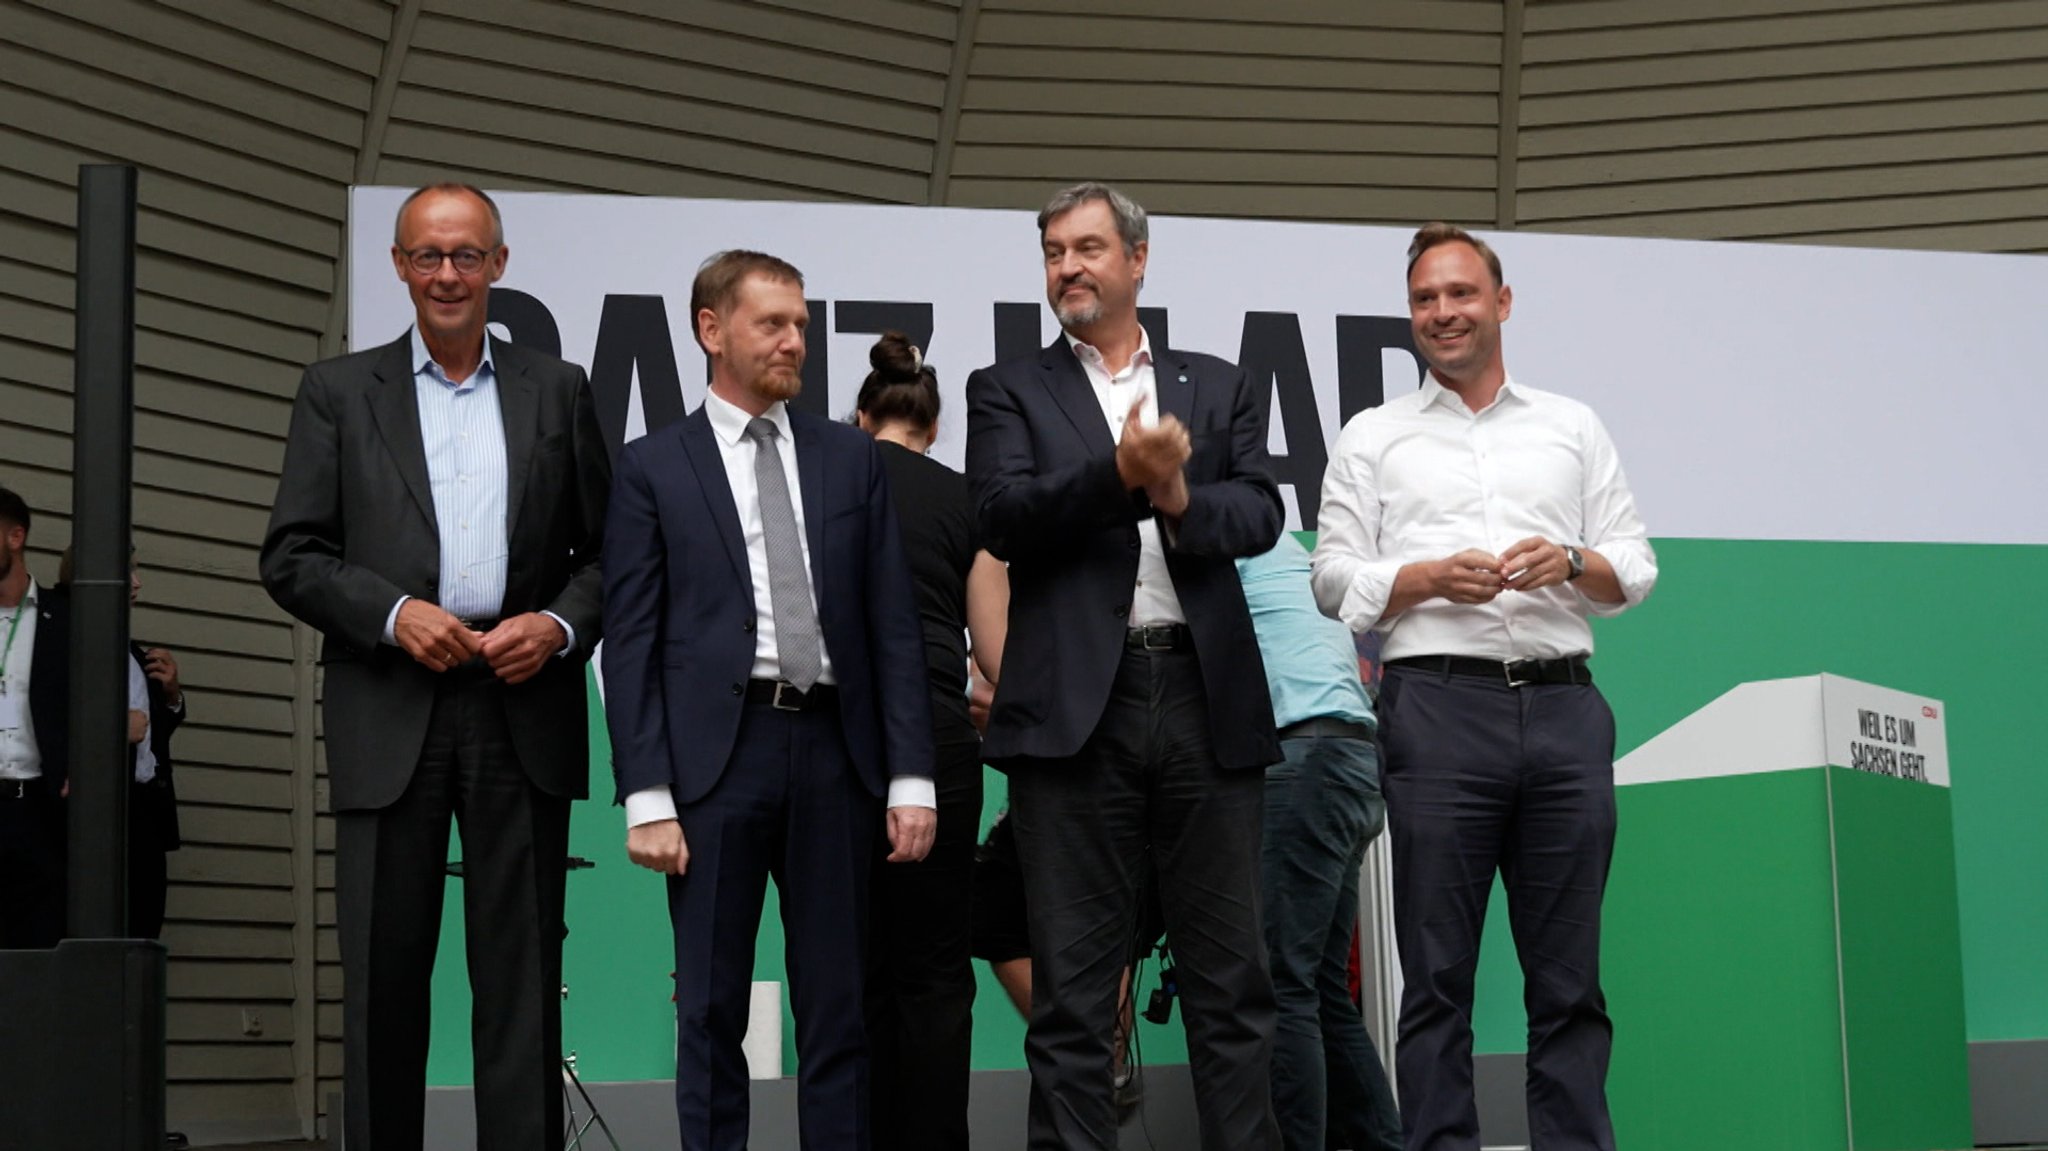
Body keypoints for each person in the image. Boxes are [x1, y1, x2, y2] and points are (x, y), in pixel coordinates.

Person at [259, 183, 611, 1150]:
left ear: (498, 264)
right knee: (382, 982)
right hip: (388, 707)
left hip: (521, 705)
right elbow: (290, 555)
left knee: (521, 983)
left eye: (465, 255)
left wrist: (556, 624)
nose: (447, 274)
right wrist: (392, 612)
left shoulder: (560, 388)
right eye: (427, 256)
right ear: (398, 267)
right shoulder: (337, 391)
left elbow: (612, 556)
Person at [1311, 222, 1658, 1151]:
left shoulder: (1571, 424)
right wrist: (1424, 579)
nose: (1442, 313)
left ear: (1501, 303)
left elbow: (1634, 566)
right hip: (1435, 713)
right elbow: (1333, 579)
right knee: (1434, 984)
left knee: (1569, 985)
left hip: (1564, 708)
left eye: (1460, 294)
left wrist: (1572, 559)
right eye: (1425, 299)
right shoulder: (1373, 435)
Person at [965, 181, 1286, 1150]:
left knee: (1231, 988)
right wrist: (1119, 474)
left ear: (1136, 260)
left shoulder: (1217, 382)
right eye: (1054, 250)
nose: (1068, 266)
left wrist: (1179, 491)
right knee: (1069, 996)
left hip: (1202, 698)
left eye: (1087, 247)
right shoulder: (1007, 387)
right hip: (1072, 714)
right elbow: (998, 515)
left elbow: (1260, 515)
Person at [602, 250, 936, 1151]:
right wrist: (647, 794)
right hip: (715, 763)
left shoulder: (851, 459)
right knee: (709, 1008)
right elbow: (628, 641)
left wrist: (912, 777)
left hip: (838, 754)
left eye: (801, 323)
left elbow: (890, 624)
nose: (796, 340)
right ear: (712, 330)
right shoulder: (649, 468)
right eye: (772, 323)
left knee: (840, 1007)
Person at [851, 331, 1009, 1151]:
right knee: (938, 972)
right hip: (943, 742)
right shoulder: (968, 502)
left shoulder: (830, 481)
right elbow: (999, 657)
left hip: (843, 738)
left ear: (858, 415)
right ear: (934, 428)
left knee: (851, 965)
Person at [1238, 534, 1400, 1151]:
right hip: (1348, 757)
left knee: (1285, 984)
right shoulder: (1275, 543)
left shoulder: (1215, 542)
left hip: (1306, 758)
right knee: (1321, 987)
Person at [58, 545, 185, 940]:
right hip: (89, 818)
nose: (137, 582)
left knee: (142, 940)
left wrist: (172, 697)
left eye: (136, 570)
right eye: (127, 571)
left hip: (145, 819)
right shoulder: (60, 640)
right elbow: (43, 720)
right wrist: (114, 728)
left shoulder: (134, 653)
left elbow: (150, 735)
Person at [0, 483, 69, 949]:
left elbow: (94, 707)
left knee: (37, 948)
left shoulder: (64, 620)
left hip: (35, 810)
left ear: (15, 537)